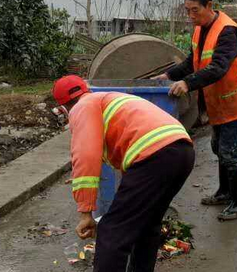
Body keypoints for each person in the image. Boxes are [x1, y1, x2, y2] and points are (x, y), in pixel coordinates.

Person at [53, 75, 195, 272]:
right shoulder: (109, 99)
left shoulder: (82, 107)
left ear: (63, 107)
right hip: (182, 152)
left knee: (112, 231)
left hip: (155, 156)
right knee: (147, 225)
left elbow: (85, 156)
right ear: (85, 89)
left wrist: (86, 212)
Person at [155, 0, 237, 221]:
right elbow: (194, 62)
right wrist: (169, 75)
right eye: (187, 10)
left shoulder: (228, 32)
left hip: (236, 102)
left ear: (209, 6)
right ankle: (224, 192)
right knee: (217, 147)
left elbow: (218, 68)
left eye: (195, 10)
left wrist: (187, 84)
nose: (191, 16)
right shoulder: (200, 29)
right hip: (219, 103)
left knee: (229, 152)